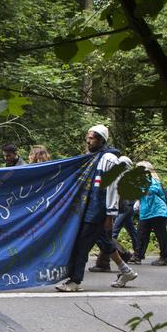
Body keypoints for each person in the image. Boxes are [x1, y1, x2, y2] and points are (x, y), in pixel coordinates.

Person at [56, 124, 136, 292]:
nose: (88, 140)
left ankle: (75, 281)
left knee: (82, 244)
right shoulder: (94, 157)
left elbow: (113, 188)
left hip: (97, 211)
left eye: (92, 138)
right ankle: (126, 271)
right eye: (88, 137)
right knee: (104, 242)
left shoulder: (108, 158)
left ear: (101, 140)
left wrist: (110, 216)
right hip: (90, 208)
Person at [131, 161, 167, 266]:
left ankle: (165, 257)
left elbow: (153, 190)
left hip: (157, 211)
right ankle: (137, 256)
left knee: (161, 235)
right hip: (146, 212)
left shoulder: (153, 180)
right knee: (141, 234)